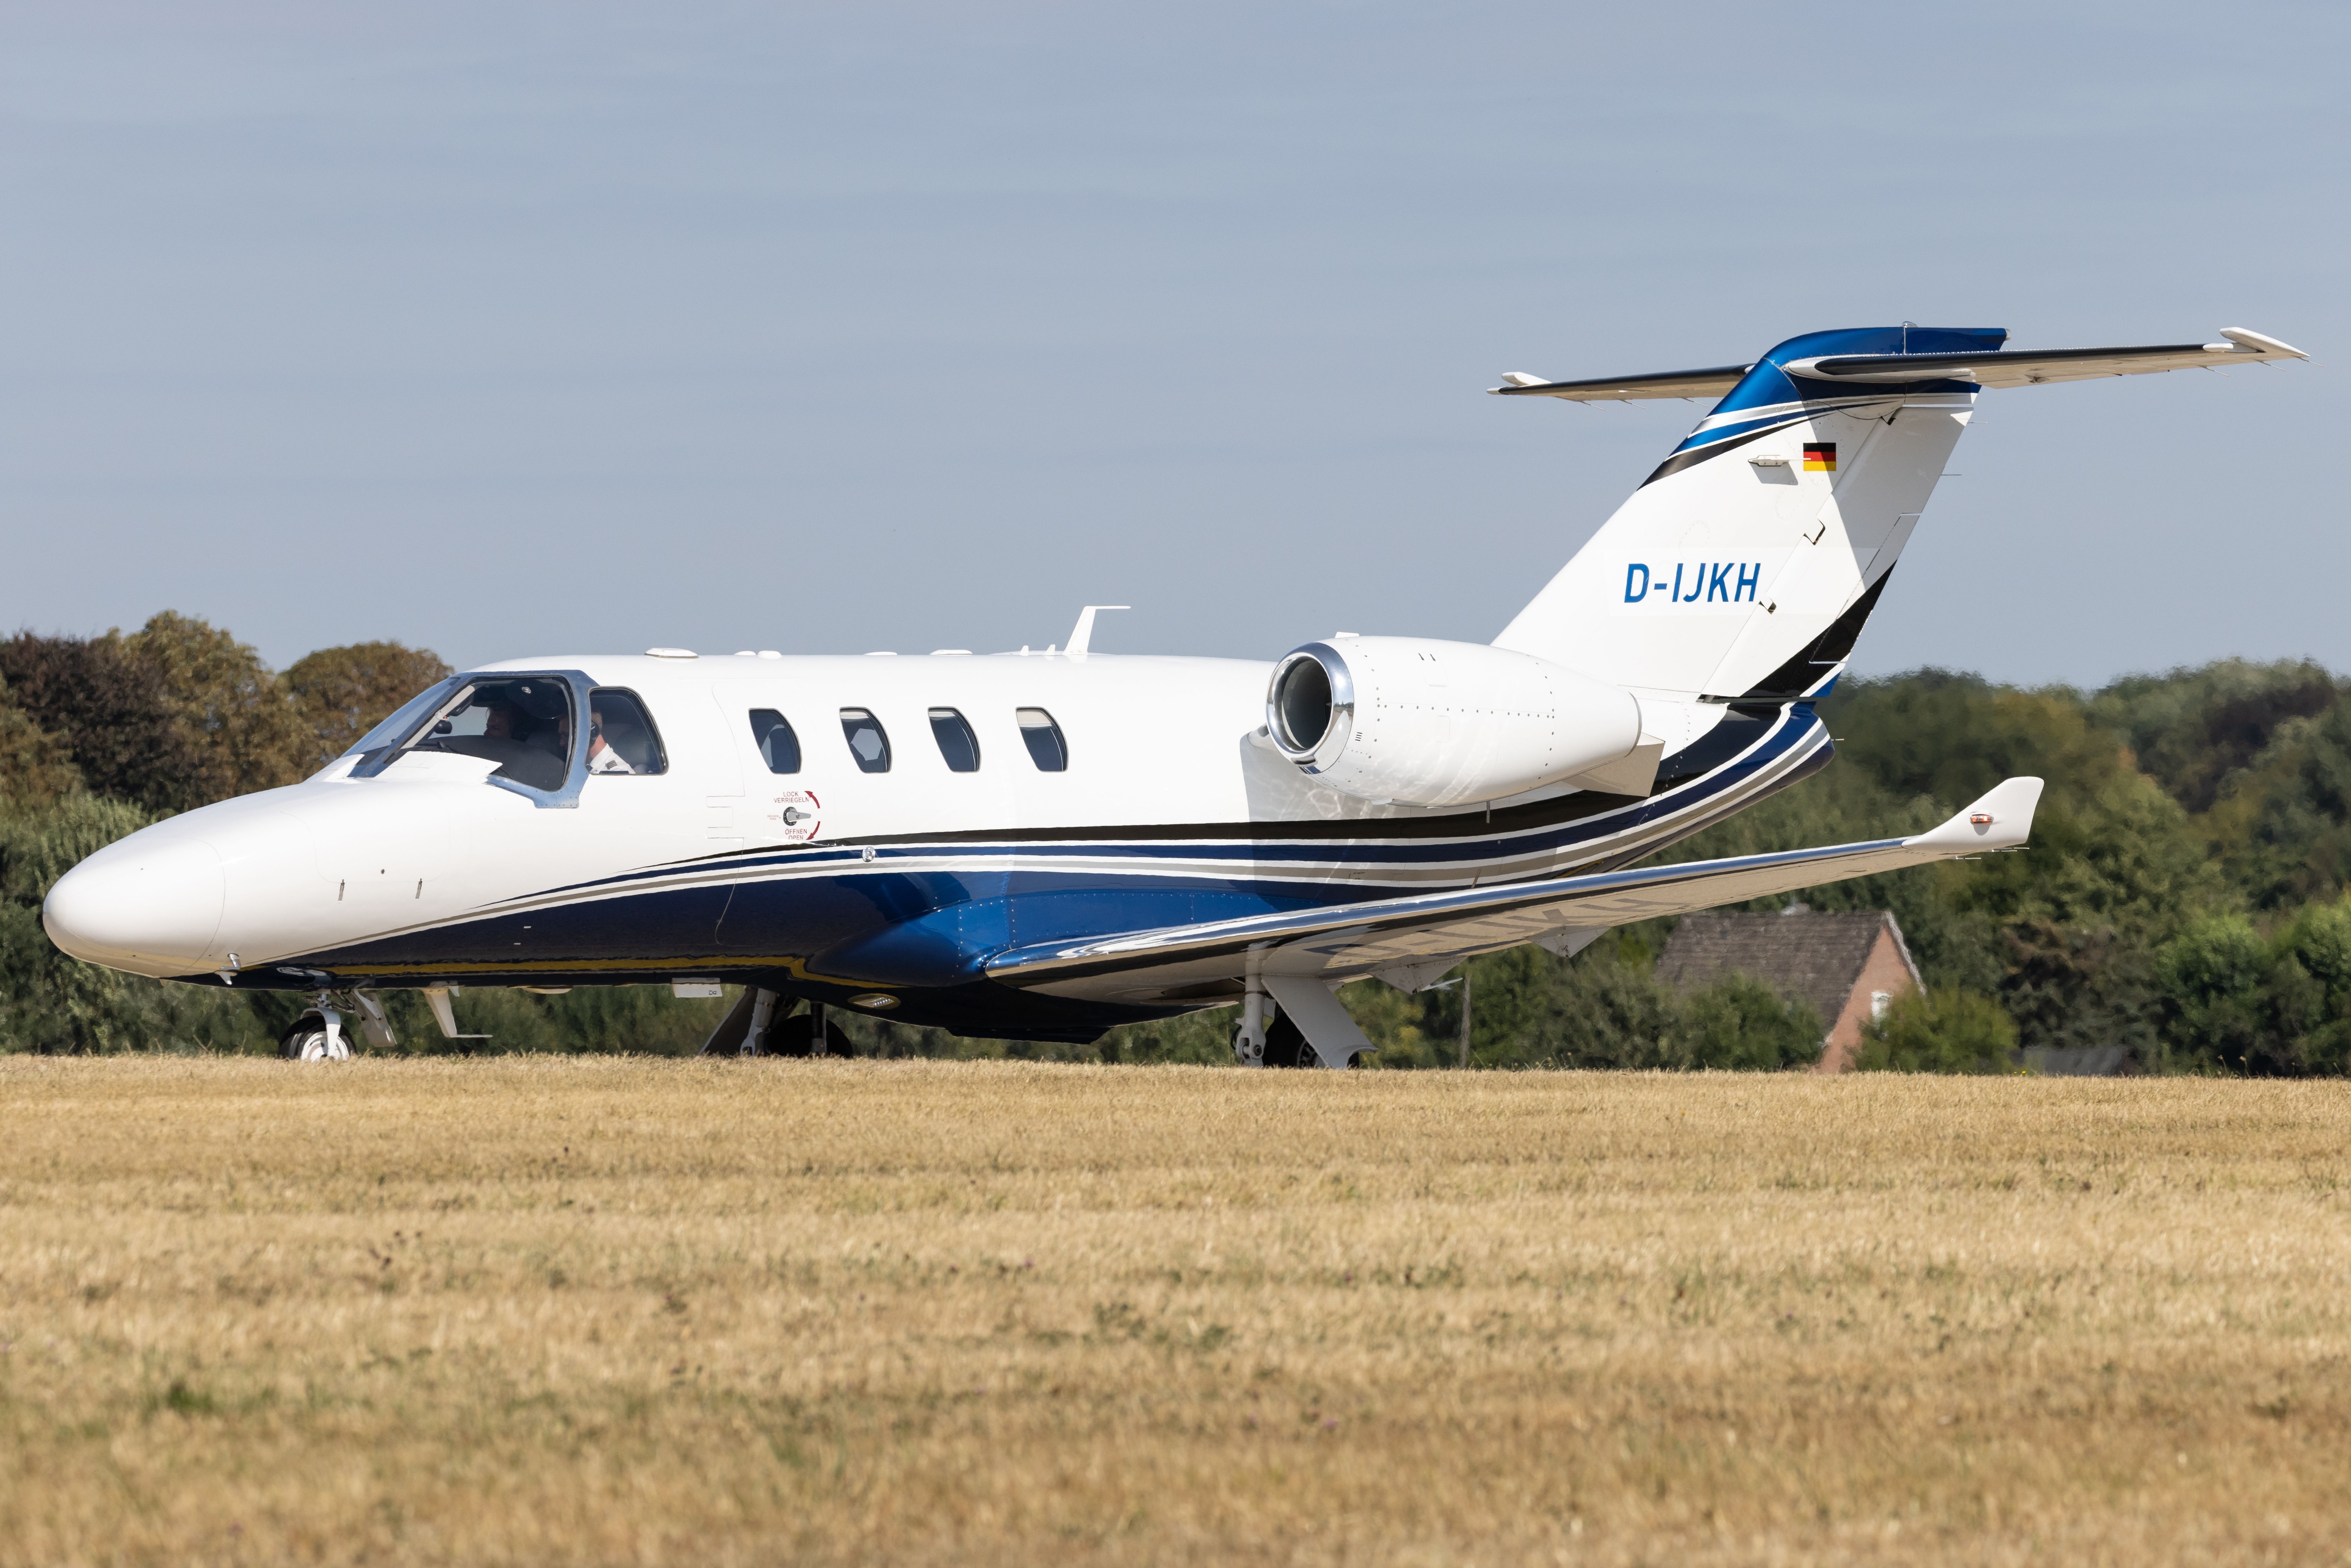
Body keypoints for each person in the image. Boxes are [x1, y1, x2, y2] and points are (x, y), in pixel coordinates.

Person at [586, 704, 634, 774]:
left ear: (592, 733)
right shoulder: (590, 767)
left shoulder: (617, 772)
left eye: (567, 736)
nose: (564, 742)